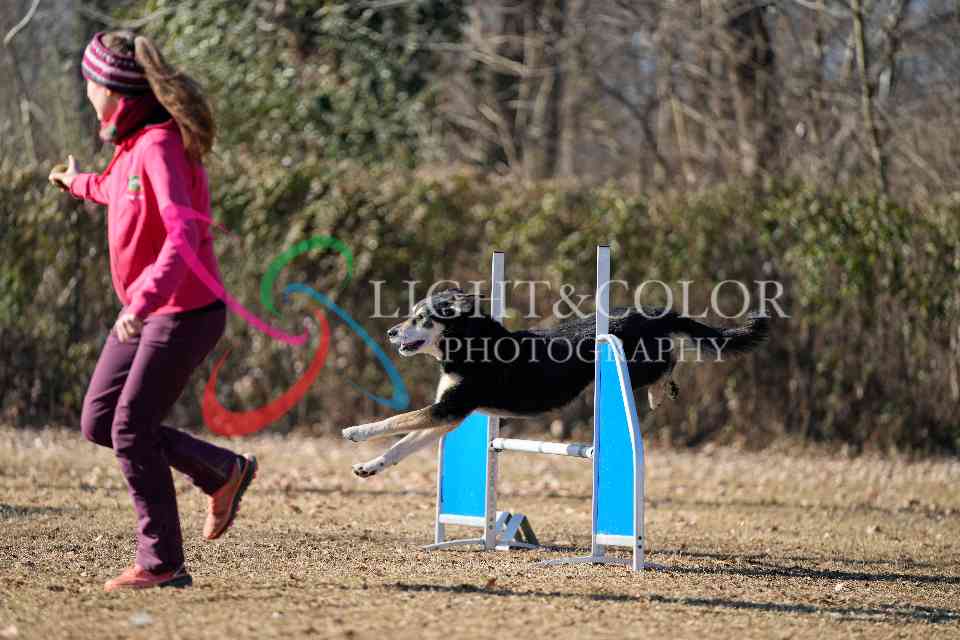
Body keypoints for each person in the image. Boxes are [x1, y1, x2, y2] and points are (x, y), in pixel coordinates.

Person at [48, 31, 257, 592]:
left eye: (89, 83)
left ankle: (162, 563)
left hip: (184, 311)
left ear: (114, 93)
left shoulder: (160, 145)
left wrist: (140, 303)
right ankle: (221, 470)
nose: (86, 92)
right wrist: (75, 183)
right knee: (100, 422)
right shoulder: (134, 144)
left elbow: (184, 234)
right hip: (150, 310)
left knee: (130, 426)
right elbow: (114, 188)